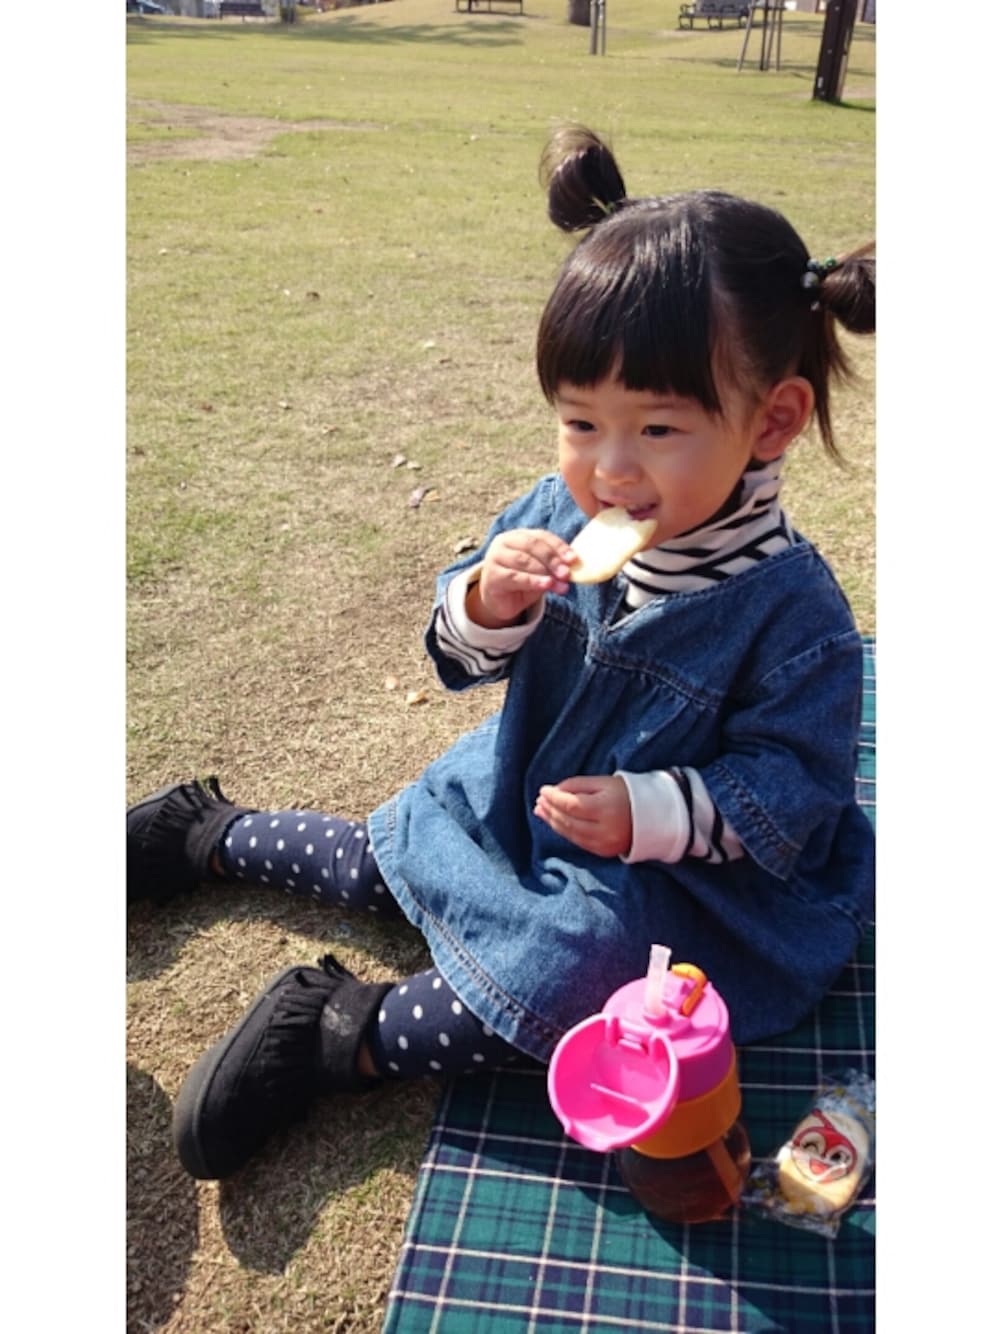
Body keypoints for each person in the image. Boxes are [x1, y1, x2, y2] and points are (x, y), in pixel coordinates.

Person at [128, 125, 876, 1182]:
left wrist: (651, 810)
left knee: (587, 974)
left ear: (773, 420)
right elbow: (459, 652)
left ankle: (343, 1028)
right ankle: (209, 832)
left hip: (682, 879)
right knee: (400, 849)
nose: (609, 469)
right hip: (524, 782)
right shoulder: (552, 514)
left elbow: (796, 789)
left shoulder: (794, 615)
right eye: (580, 423)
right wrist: (488, 597)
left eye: (658, 430)